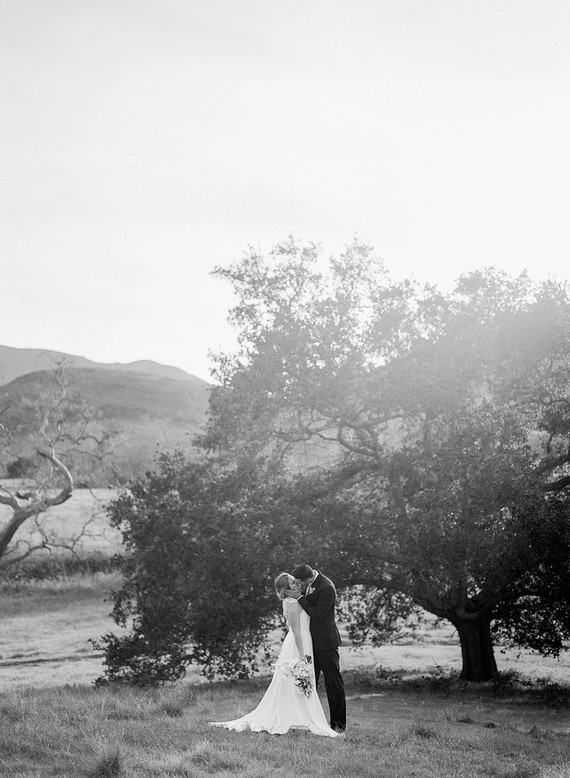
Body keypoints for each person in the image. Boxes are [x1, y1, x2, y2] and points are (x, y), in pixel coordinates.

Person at [209, 572, 339, 737]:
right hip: (299, 645)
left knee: (301, 680)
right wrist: (301, 655)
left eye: (297, 582)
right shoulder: (291, 603)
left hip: (306, 642)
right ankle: (294, 716)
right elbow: (296, 632)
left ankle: (303, 715)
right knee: (296, 679)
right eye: (293, 584)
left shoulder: (298, 599)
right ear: (287, 589)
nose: (298, 585)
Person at [284, 564, 346, 732]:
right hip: (309, 643)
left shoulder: (327, 587)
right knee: (308, 682)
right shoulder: (307, 585)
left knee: (333, 683)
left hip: (326, 643)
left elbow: (318, 614)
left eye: (299, 582)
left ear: (308, 579)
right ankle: (308, 721)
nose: (298, 586)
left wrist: (300, 598)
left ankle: (338, 725)